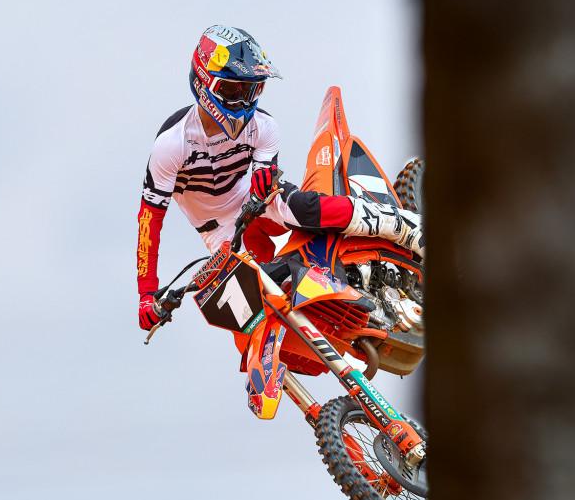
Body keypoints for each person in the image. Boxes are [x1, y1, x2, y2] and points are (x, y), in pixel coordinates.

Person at [137, 24, 424, 330]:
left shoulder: (263, 127)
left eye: (251, 90)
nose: (243, 101)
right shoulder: (172, 144)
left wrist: (264, 177)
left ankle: (404, 225)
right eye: (233, 90)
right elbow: (149, 221)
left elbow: (265, 183)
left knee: (302, 207)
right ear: (205, 83)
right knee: (256, 300)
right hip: (219, 230)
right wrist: (147, 294)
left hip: (254, 200)